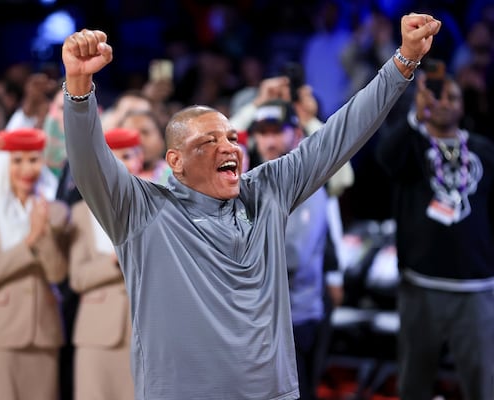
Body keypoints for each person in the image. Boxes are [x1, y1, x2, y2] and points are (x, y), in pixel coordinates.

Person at [61, 14, 441, 399]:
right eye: (208, 142)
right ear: (175, 162)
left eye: (230, 137)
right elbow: (89, 160)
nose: (228, 147)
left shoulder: (268, 191)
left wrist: (403, 62)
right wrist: (79, 88)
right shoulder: (143, 211)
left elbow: (339, 136)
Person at [374, 67, 494, 400]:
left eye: (452, 97)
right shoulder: (411, 145)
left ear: (463, 106)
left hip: (477, 286)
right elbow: (384, 158)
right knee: (413, 383)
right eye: (438, 96)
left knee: (483, 384)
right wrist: (416, 114)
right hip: (421, 285)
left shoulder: (484, 150)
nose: (444, 103)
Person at [0, 127, 70, 400]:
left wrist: (43, 235)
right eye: (17, 161)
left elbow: (57, 273)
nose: (27, 169)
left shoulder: (56, 211)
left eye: (33, 160)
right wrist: (30, 239)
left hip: (43, 333)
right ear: (3, 164)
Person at [247, 100, 334, 400]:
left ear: (296, 133)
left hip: (295, 318)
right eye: (261, 133)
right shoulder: (258, 180)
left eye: (276, 132)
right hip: (262, 320)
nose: (268, 141)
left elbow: (293, 256)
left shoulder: (306, 183)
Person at [69, 127, 141, 400]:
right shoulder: (80, 213)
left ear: (140, 158)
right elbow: (78, 278)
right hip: (96, 334)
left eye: (128, 156)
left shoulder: (159, 207)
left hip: (147, 333)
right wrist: (116, 260)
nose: (121, 164)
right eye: (112, 157)